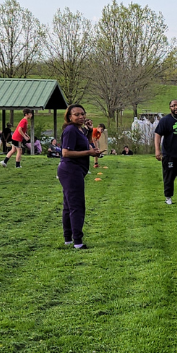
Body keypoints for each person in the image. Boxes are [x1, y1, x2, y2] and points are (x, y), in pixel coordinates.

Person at [58, 104, 104, 249]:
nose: (81, 117)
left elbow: (85, 144)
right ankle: (77, 242)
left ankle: (68, 239)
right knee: (77, 205)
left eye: (82, 114)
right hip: (71, 170)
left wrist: (90, 132)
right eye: (76, 114)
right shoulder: (70, 130)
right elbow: (65, 152)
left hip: (74, 170)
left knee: (68, 205)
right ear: (69, 116)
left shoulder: (79, 130)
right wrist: (89, 153)